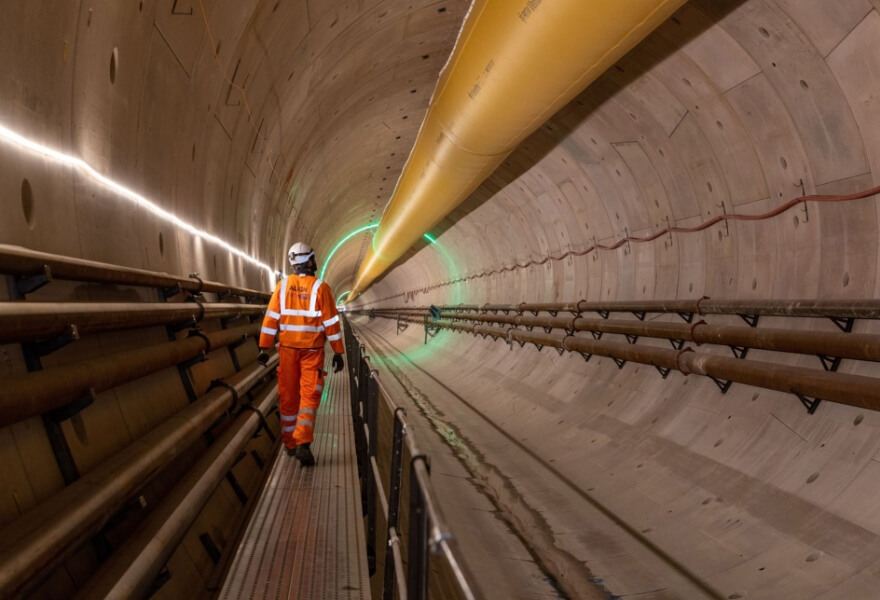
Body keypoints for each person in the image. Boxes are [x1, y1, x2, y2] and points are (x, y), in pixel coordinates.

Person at [257, 242, 344, 466]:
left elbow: (270, 318)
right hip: (312, 353)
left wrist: (264, 347)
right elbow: (331, 324)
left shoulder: (282, 287)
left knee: (288, 396)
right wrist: (338, 352)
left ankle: (290, 444)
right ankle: (303, 442)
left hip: (287, 352)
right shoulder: (321, 288)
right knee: (309, 396)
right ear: (310, 261)